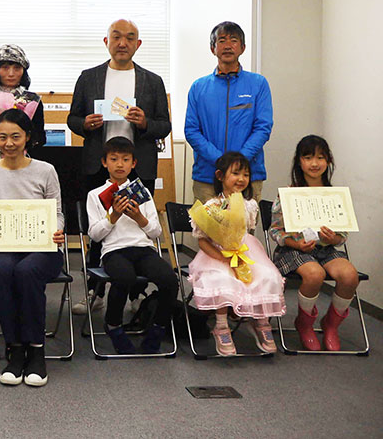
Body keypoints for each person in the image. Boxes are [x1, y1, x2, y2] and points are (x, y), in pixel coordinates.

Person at [0, 109, 65, 387]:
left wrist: (58, 230)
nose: (9, 143)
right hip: (6, 246)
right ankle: (14, 349)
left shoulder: (46, 170)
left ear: (28, 137)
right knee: (1, 270)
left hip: (43, 247)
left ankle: (36, 350)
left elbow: (58, 212)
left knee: (26, 271)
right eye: (2, 137)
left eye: (16, 136)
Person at [85, 137, 177, 354]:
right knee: (124, 278)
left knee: (170, 280)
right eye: (114, 159)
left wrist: (139, 217)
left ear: (133, 163)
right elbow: (95, 235)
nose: (120, 164)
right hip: (114, 251)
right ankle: (114, 325)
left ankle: (157, 328)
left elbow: (155, 232)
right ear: (104, 162)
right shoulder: (95, 195)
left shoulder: (142, 192)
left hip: (143, 249)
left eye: (125, 159)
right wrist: (113, 215)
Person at [269, 135, 360, 351]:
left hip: (325, 249)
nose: (314, 163)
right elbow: (275, 230)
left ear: (328, 161)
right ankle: (305, 323)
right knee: (314, 274)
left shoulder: (334, 195)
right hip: (293, 250)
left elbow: (343, 234)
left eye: (320, 157)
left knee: (350, 276)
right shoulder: (289, 194)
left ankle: (330, 325)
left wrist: (334, 238)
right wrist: (296, 244)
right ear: (299, 161)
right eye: (308, 157)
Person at [188, 152, 284, 356]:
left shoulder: (250, 205)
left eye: (246, 174)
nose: (241, 179)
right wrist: (222, 257)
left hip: (244, 249)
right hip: (217, 253)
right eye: (236, 173)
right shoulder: (211, 206)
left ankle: (261, 322)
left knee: (266, 276)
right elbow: (203, 241)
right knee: (221, 278)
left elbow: (245, 231)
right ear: (220, 176)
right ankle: (221, 325)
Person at [67, 19, 170, 194]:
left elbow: (164, 126)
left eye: (130, 39)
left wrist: (145, 123)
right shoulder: (88, 78)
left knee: (137, 219)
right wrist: (85, 124)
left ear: (138, 44)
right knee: (98, 219)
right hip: (98, 165)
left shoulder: (153, 81)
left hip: (139, 166)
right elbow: (72, 119)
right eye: (116, 37)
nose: (122, 43)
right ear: (106, 41)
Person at [185, 21, 273, 203]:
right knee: (206, 230)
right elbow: (191, 130)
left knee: (243, 229)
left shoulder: (258, 84)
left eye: (233, 40)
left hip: (247, 177)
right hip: (208, 176)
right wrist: (220, 161)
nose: (227, 45)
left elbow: (263, 128)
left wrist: (237, 164)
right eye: (221, 40)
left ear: (243, 47)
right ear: (213, 48)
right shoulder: (198, 87)